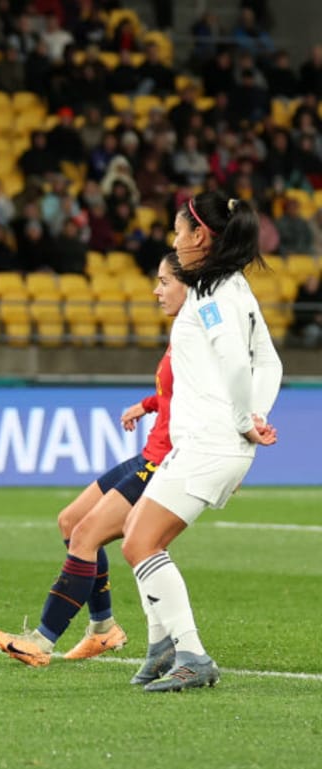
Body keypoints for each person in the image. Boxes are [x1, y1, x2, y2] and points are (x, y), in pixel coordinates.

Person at [0, 253, 185, 667]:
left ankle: (42, 641)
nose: (156, 290)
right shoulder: (183, 331)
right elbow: (176, 393)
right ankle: (103, 629)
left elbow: (209, 399)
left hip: (166, 461)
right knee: (70, 521)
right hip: (148, 453)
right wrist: (148, 404)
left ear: (189, 286)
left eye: (165, 281)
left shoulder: (199, 334)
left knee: (85, 536)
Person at [121, 193, 283, 692]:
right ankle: (161, 645)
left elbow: (238, 362)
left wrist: (241, 420)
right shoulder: (234, 288)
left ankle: (191, 653)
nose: (173, 240)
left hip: (211, 441)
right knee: (137, 530)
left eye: (177, 231)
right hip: (211, 441)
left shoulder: (212, 295)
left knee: (140, 542)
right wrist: (256, 416)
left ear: (200, 236)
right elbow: (270, 362)